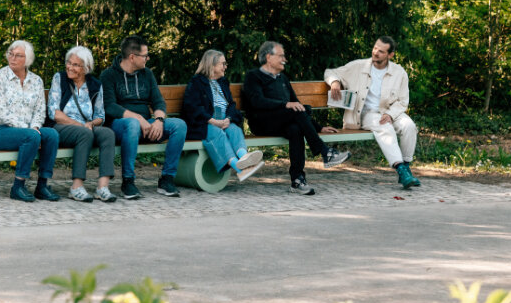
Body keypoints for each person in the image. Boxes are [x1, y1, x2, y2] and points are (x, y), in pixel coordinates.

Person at [243, 41, 350, 195]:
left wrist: (318, 127)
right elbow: (257, 101)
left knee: (296, 128)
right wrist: (285, 104)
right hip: (261, 122)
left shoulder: (283, 79)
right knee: (296, 112)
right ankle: (324, 152)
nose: (284, 59)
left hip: (283, 121)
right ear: (268, 57)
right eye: (280, 56)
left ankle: (297, 180)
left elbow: (297, 107)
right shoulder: (253, 76)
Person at [324, 36, 420, 189]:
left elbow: (402, 101)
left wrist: (391, 114)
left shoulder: (399, 72)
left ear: (390, 55)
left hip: (390, 111)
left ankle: (406, 167)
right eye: (375, 48)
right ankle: (400, 170)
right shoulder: (358, 66)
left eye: (381, 51)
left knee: (409, 125)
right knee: (384, 127)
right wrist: (335, 83)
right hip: (366, 114)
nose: (375, 53)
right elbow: (331, 72)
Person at [100, 35, 187, 199]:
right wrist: (138, 119)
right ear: (132, 57)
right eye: (145, 55)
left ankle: (167, 179)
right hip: (121, 126)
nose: (148, 58)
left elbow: (158, 102)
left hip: (147, 125)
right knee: (132, 123)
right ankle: (128, 181)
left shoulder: (147, 74)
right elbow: (109, 106)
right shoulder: (108, 75)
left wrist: (159, 121)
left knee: (179, 125)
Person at [0, 40, 61, 202]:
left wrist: (34, 127)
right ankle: (18, 186)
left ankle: (42, 186)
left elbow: (40, 110)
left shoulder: (36, 81)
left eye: (18, 55)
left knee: (52, 134)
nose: (12, 58)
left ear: (27, 59)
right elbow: (2, 111)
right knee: (32, 136)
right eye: (10, 54)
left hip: (27, 131)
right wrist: (30, 131)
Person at [47, 46, 117, 203]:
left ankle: (102, 187)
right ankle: (76, 187)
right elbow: (55, 113)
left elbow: (100, 115)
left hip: (87, 128)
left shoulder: (95, 85)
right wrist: (81, 125)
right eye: (69, 63)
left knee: (107, 133)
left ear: (87, 68)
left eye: (75, 65)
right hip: (60, 127)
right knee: (84, 133)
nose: (70, 67)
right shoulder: (60, 78)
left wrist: (91, 123)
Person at [182, 50, 264, 182]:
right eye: (223, 64)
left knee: (235, 129)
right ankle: (239, 169)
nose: (225, 67)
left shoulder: (223, 82)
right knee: (217, 133)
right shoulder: (197, 82)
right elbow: (192, 107)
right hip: (204, 124)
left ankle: (244, 159)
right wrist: (212, 121)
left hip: (224, 120)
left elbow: (231, 105)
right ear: (212, 65)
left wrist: (228, 119)